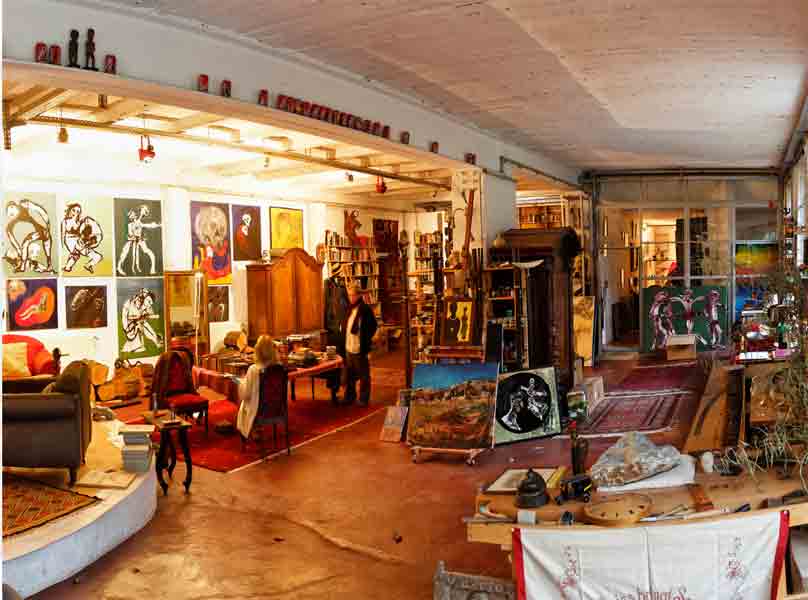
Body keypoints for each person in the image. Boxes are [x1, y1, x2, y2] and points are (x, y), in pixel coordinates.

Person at [340, 283, 377, 406]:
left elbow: (373, 326)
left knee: (363, 375)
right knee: (349, 374)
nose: (351, 297)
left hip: (359, 347)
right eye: (349, 295)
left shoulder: (365, 310)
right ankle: (349, 396)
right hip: (348, 346)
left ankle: (363, 398)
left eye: (353, 295)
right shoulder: (349, 308)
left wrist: (366, 339)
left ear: (359, 295)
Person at [236, 335, 278, 439]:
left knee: (245, 403)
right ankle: (256, 428)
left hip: (259, 409)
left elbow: (245, 394)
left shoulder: (254, 369)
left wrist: (242, 382)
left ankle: (254, 427)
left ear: (258, 350)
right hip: (276, 406)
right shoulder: (278, 367)